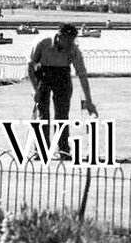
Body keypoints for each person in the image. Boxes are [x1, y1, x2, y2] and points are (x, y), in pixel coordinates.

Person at [28, 24, 98, 160]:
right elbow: (30, 66)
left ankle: (64, 150)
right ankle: (41, 150)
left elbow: (82, 75)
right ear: (59, 37)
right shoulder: (42, 43)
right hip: (43, 74)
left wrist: (89, 100)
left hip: (63, 75)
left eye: (73, 40)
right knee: (43, 115)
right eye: (68, 40)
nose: (70, 44)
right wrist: (35, 90)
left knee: (62, 114)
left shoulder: (73, 49)